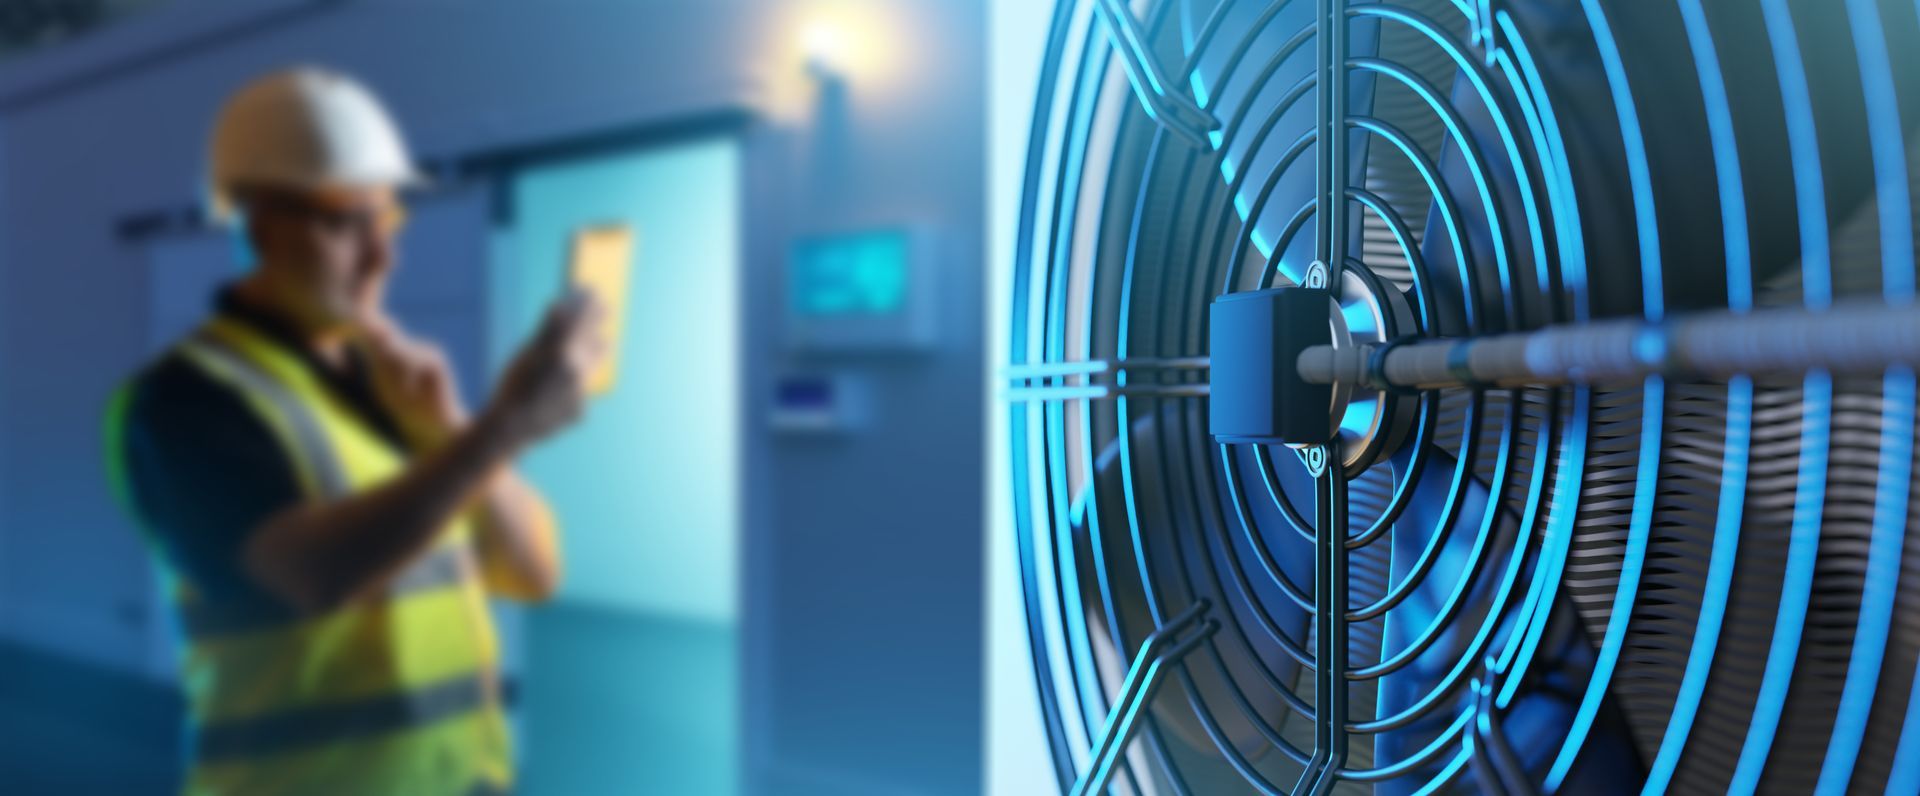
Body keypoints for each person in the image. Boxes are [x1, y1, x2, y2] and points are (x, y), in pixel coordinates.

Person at [103, 67, 605, 795]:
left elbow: (535, 573)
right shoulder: (180, 401)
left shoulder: (398, 389)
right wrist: (499, 433)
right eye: (346, 221)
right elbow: (313, 574)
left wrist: (455, 425)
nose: (383, 256)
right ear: (255, 222)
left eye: (389, 219)